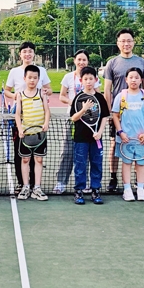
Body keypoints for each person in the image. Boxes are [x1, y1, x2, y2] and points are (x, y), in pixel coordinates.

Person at [103, 29, 144, 194]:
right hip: (119, 114)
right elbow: (107, 90)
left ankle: (140, 181)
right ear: (118, 43)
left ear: (133, 42)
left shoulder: (142, 62)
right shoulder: (112, 63)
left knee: (139, 143)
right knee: (115, 144)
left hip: (138, 113)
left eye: (129, 40)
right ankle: (113, 177)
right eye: (123, 41)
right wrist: (110, 113)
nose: (126, 44)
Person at [3, 41, 51, 192]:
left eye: (30, 51)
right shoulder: (14, 71)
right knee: (21, 152)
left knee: (36, 152)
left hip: (37, 116)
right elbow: (6, 91)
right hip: (21, 116)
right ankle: (22, 183)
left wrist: (45, 92)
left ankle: (34, 184)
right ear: (20, 54)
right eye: (24, 51)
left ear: (34, 54)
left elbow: (49, 89)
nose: (27, 54)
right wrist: (16, 96)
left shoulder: (41, 70)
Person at [55, 49, 102, 194]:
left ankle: (85, 183)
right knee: (67, 151)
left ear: (87, 62)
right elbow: (62, 96)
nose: (81, 62)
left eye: (84, 60)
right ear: (74, 61)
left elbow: (98, 96)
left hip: (90, 120)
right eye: (79, 59)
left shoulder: (93, 78)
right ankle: (61, 182)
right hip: (74, 119)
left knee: (86, 152)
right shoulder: (68, 77)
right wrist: (76, 103)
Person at [111, 67, 144, 202]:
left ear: (141, 80)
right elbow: (115, 116)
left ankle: (140, 189)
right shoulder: (121, 96)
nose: (133, 80)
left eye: (136, 77)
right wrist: (121, 132)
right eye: (131, 77)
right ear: (126, 80)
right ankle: (127, 189)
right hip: (126, 139)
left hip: (142, 139)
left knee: (141, 164)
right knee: (126, 163)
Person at [68, 66, 109, 205]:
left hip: (96, 138)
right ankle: (79, 191)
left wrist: (100, 132)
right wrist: (84, 109)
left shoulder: (100, 98)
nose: (88, 81)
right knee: (80, 165)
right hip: (80, 139)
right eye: (85, 79)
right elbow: (73, 118)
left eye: (91, 78)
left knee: (96, 164)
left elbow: (104, 117)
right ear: (81, 81)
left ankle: (95, 190)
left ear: (96, 80)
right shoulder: (78, 98)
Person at [14, 65, 51, 201]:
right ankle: (25, 187)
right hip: (26, 135)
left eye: (35, 78)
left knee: (39, 160)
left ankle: (37, 188)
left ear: (38, 79)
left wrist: (46, 123)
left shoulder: (41, 93)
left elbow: (47, 111)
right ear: (24, 78)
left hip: (40, 134)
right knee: (25, 160)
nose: (32, 80)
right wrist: (20, 129)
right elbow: (18, 114)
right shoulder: (20, 95)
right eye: (29, 77)